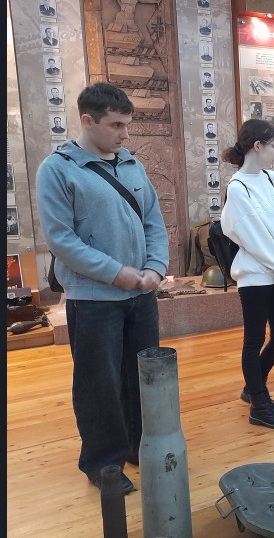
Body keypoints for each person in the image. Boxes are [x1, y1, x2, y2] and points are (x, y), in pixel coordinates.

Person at [36, 82, 168, 494]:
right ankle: (103, 463)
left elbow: (153, 221)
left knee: (144, 377)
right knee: (99, 384)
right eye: (116, 125)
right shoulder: (57, 169)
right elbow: (61, 240)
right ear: (87, 120)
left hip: (141, 296)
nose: (125, 134)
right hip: (93, 300)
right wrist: (115, 273)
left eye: (127, 124)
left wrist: (156, 266)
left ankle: (139, 446)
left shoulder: (132, 165)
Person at [220, 120, 274, 430]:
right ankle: (259, 403)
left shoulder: (271, 178)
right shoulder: (237, 187)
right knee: (254, 340)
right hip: (255, 278)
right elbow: (255, 239)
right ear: (258, 146)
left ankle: (254, 388)